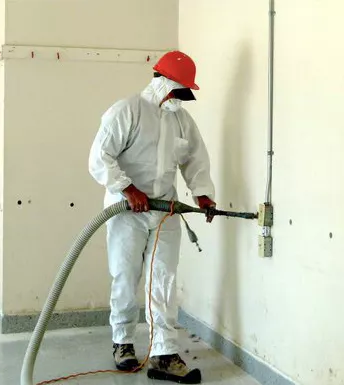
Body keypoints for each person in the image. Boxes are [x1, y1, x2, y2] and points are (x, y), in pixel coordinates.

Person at [88, 51, 216, 384]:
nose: (182, 98)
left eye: (186, 92)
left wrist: (202, 192)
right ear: (163, 82)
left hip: (165, 211)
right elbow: (99, 157)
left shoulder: (181, 120)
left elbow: (195, 160)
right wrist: (127, 189)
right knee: (125, 276)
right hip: (126, 211)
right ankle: (123, 342)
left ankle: (163, 352)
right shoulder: (127, 111)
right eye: (179, 90)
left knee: (163, 279)